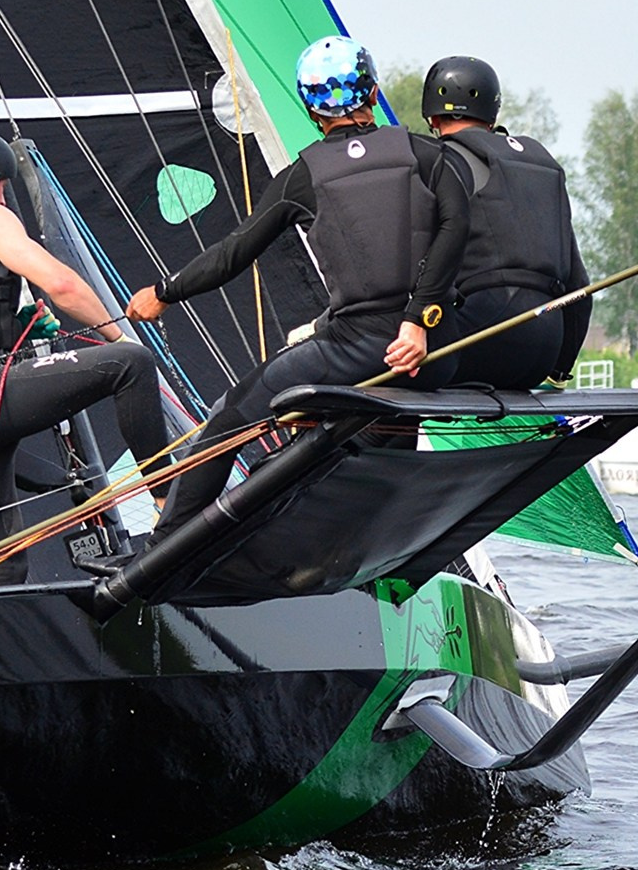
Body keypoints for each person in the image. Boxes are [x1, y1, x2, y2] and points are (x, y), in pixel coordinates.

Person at [127, 37, 468, 531]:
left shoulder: (304, 175)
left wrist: (162, 292)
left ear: (312, 110)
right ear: (373, 94)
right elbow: (457, 230)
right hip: (439, 355)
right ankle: (360, 552)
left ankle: (159, 550)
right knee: (374, 433)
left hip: (364, 350)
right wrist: (420, 321)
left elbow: (232, 254)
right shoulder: (427, 154)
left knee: (227, 421)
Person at [0, 124, 168, 583]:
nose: (2, 203)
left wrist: (19, 326)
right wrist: (118, 336)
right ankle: (169, 502)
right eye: (2, 191)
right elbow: (62, 285)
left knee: (3, 566)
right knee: (131, 364)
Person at [410, 55, 589, 391]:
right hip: (545, 350)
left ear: (432, 115)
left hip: (480, 342)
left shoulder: (436, 161)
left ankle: (380, 440)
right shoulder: (543, 164)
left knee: (381, 350)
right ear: (492, 114)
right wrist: (561, 369)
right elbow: (579, 285)